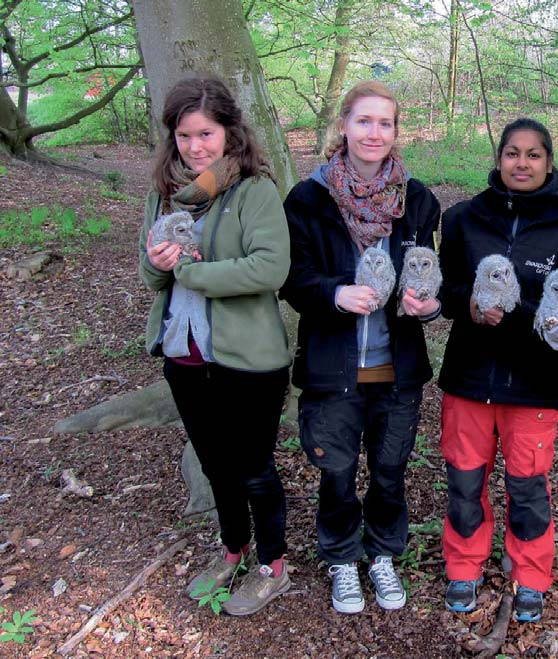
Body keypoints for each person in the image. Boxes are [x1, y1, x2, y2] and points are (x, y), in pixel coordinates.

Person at [280, 81, 441, 615]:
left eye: (385, 123)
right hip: (334, 367)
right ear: (344, 127)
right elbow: (292, 279)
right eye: (364, 121)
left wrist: (428, 304)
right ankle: (343, 558)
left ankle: (383, 554)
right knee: (337, 471)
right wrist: (334, 292)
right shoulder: (309, 199)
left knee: (391, 469)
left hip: (397, 368)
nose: (375, 133)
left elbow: (427, 273)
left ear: (397, 132)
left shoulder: (417, 201)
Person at [438, 118, 558, 623]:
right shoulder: (463, 220)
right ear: (499, 158)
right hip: (468, 378)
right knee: (465, 480)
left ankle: (530, 573)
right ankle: (463, 566)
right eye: (512, 153)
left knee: (528, 484)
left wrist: (528, 314)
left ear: (549, 162)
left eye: (533, 155)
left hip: (534, 384)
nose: (522, 163)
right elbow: (442, 291)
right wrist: (469, 306)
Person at [139, 77, 292, 616]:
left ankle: (273, 567)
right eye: (184, 135)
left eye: (206, 133)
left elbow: (271, 267)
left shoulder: (254, 190)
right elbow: (149, 273)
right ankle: (234, 550)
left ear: (229, 132)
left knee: (253, 467)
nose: (195, 146)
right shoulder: (162, 194)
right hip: (185, 357)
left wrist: (190, 271)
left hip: (250, 361)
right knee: (215, 465)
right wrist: (160, 267)